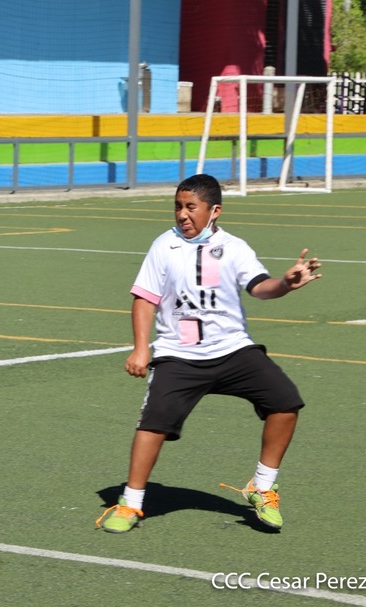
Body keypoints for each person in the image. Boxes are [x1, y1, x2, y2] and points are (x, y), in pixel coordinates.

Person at [96, 173, 321, 534]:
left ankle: (262, 487)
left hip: (233, 349)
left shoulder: (234, 247)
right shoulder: (163, 246)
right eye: (177, 207)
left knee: (285, 402)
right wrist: (141, 348)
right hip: (178, 355)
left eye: (191, 207)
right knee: (153, 424)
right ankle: (131, 502)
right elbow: (145, 298)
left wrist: (286, 284)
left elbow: (260, 287)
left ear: (214, 211)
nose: (182, 215)